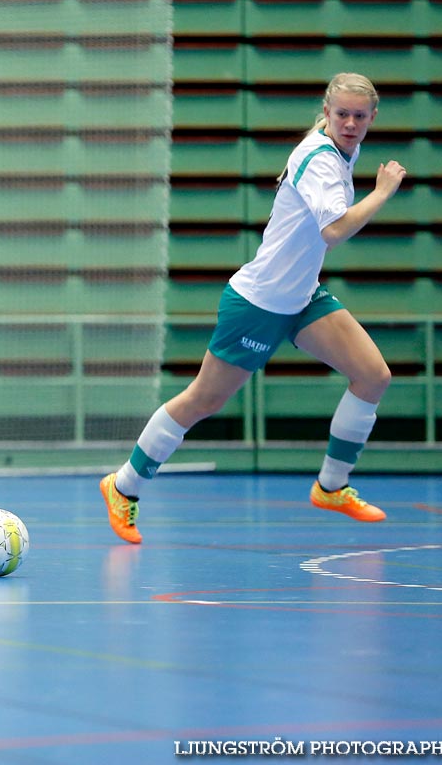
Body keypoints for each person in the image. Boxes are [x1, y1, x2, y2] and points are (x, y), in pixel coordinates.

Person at [99, 73, 407, 544]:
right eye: (341, 114)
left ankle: (332, 485)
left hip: (301, 296)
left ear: (372, 118)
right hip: (259, 303)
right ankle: (123, 486)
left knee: (373, 375)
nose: (349, 123)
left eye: (359, 116)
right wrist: (383, 192)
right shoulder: (319, 159)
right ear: (326, 112)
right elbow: (334, 231)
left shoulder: (345, 149)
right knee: (205, 399)